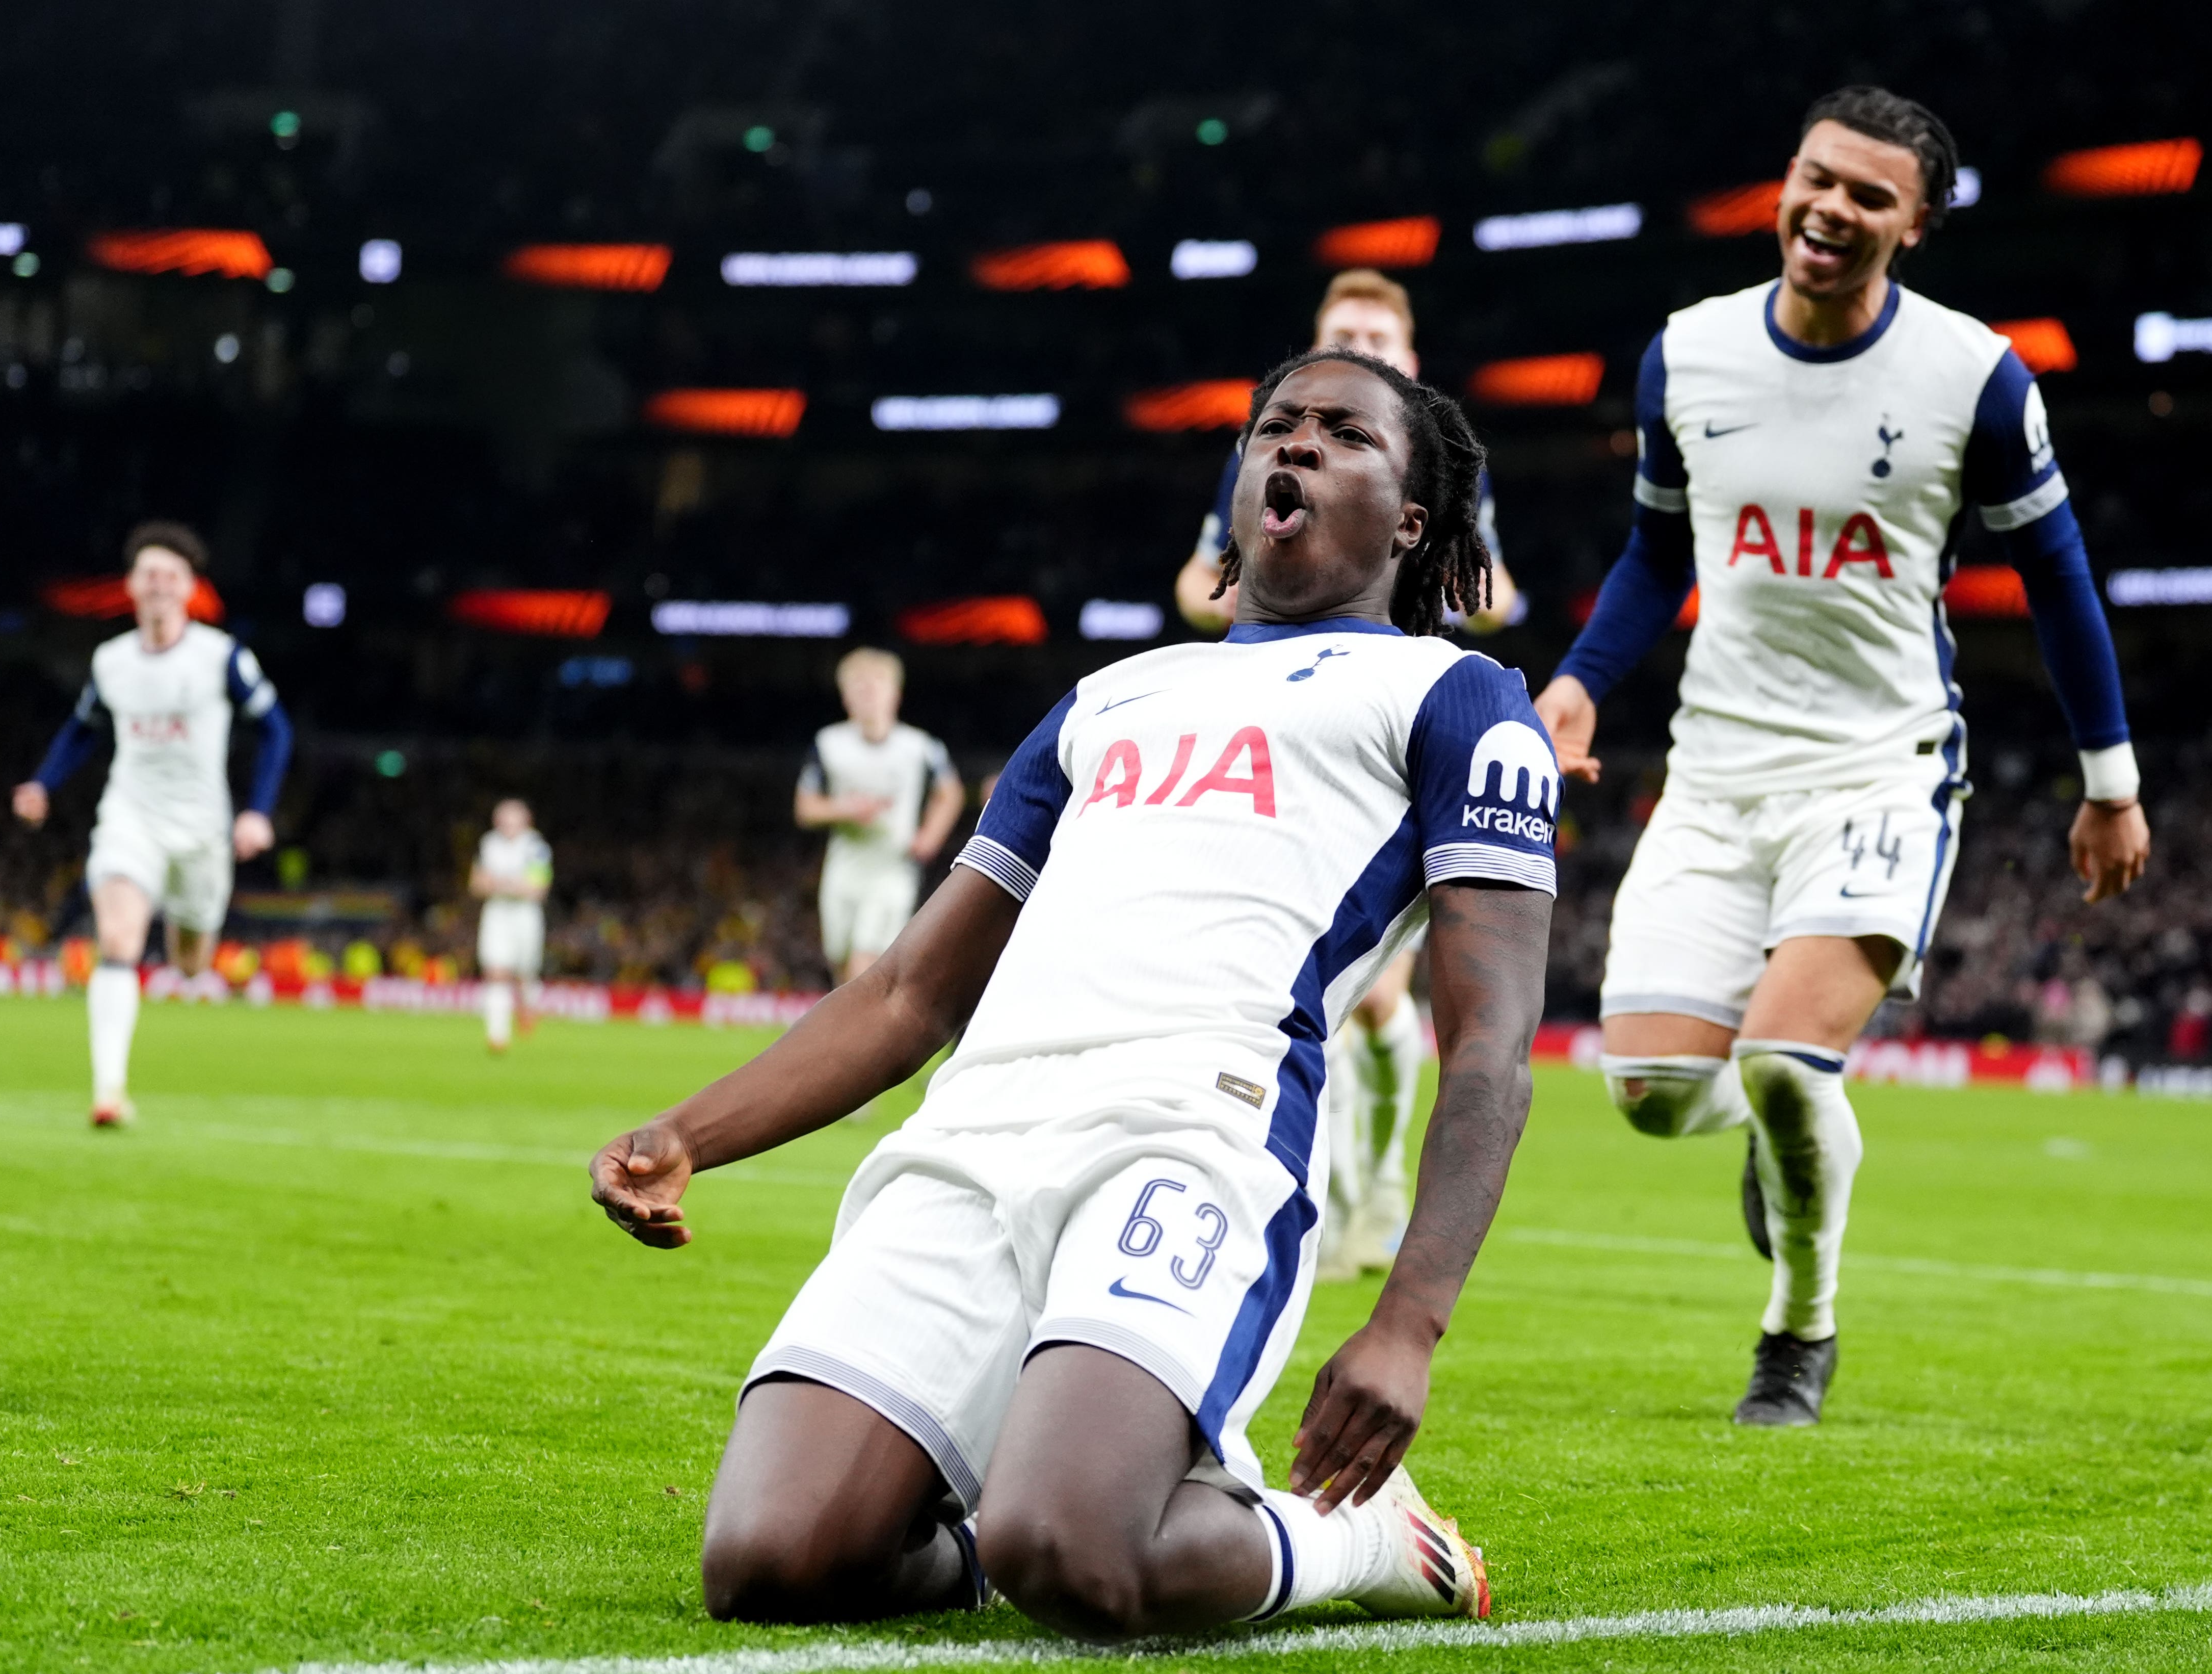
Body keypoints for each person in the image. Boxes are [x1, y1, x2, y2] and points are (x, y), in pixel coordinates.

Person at [591, 349, 1555, 1639]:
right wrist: (689, 1136)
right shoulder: (1110, 696)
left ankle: (1360, 1534)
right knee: (770, 1562)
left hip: (1192, 1131)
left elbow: (1489, 1044)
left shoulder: (1458, 695)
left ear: (1413, 518)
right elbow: (906, 994)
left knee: (1076, 1548)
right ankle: (1013, 1487)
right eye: (1276, 425)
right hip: (975, 1129)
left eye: (1342, 433)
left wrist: (1407, 1326)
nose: (1296, 444)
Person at [1533, 86, 2150, 1427]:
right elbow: (1653, 549)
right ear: (1784, 179)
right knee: (1644, 1092)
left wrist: (2108, 781)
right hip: (1713, 773)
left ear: (1915, 224)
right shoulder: (1684, 355)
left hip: (1877, 768)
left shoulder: (1970, 377)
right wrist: (1578, 685)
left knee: (1780, 1060)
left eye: (1868, 195)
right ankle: (1771, 1140)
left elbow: (2054, 578)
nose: (1829, 209)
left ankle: (1794, 1332)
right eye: (1815, 178)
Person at [1174, 269, 1520, 1278]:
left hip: (1394, 723)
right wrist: (1244, 591)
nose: (1360, 343)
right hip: (1270, 719)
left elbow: (1482, 584)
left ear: (1409, 357)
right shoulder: (1269, 451)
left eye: (1376, 332)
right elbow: (1203, 580)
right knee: (1292, 972)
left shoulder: (1446, 463)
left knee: (1366, 988)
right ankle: (1309, 1186)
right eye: (1343, 332)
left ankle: (1359, 1193)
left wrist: (1471, 593)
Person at [11, 521, 292, 1127]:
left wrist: (257, 812)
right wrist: (42, 783)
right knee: (117, 941)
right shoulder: (111, 661)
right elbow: (83, 728)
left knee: (191, 960)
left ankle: (187, 951)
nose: (160, 585)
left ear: (190, 588)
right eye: (150, 574)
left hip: (202, 832)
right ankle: (109, 1090)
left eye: (173, 576)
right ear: (132, 586)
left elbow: (276, 730)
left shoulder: (222, 657)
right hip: (129, 816)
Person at [795, 647, 963, 986]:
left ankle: (854, 1040)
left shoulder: (920, 747)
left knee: (865, 959)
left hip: (892, 868)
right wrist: (845, 809)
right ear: (846, 698)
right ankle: (852, 1036)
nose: (867, 694)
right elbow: (805, 808)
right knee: (841, 963)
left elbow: (951, 793)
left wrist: (930, 835)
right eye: (858, 687)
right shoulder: (828, 744)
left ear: (895, 695)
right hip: (844, 866)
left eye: (875, 686)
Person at [469, 798, 551, 1053]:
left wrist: (501, 884)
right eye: (504, 820)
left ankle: (527, 1007)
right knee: (496, 971)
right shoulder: (489, 844)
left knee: (525, 973)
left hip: (526, 915)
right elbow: (476, 884)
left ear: (526, 821)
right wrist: (514, 885)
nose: (508, 825)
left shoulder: (536, 847)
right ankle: (498, 1035)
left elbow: (538, 889)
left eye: (513, 820)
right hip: (497, 913)